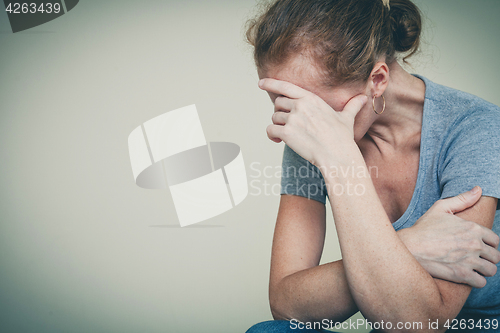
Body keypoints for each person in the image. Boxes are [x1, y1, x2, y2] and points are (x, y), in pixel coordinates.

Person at [244, 0, 500, 332]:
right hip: (387, 311)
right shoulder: (311, 137)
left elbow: (421, 323)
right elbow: (284, 302)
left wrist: (340, 161)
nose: (296, 123)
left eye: (311, 109)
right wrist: (411, 244)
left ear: (377, 80)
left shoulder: (475, 128)